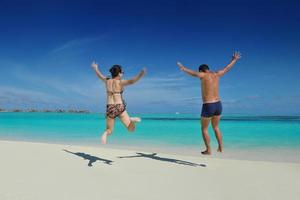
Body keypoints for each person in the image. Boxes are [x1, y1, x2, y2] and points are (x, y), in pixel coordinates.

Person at [177, 51, 241, 155]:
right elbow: (227, 68)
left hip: (208, 105)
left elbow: (193, 73)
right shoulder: (217, 74)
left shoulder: (203, 75)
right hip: (218, 104)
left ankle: (208, 149)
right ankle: (220, 146)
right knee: (216, 127)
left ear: (202, 70)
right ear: (208, 69)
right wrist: (234, 60)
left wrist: (183, 68)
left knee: (204, 129)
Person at [91, 61, 146, 144]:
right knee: (131, 129)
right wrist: (140, 74)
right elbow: (132, 81)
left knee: (109, 130)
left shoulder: (107, 81)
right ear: (119, 73)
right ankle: (132, 121)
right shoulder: (120, 82)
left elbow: (100, 76)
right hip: (120, 107)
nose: (123, 74)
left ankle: (105, 134)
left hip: (110, 108)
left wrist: (95, 68)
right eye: (122, 72)